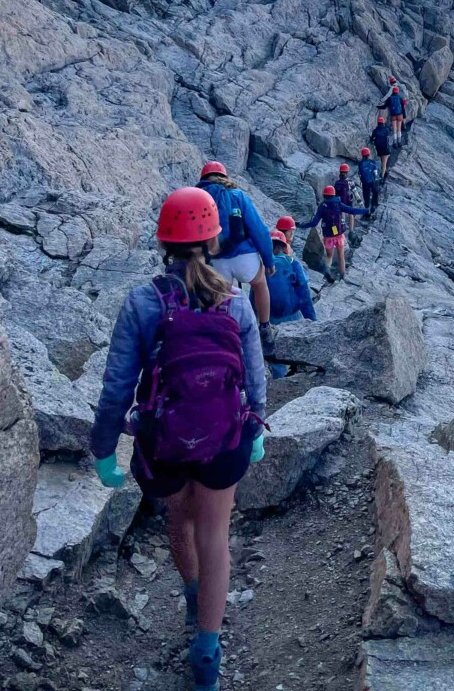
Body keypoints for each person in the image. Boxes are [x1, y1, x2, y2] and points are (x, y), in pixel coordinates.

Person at [90, 187, 267, 691]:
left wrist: (105, 449)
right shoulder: (235, 305)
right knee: (215, 536)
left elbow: (116, 387)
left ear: (163, 241)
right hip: (225, 439)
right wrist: (254, 431)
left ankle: (193, 597)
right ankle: (207, 651)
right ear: (213, 239)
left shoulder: (144, 302)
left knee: (180, 521)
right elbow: (255, 381)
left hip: (164, 441)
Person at [195, 161, 276, 355]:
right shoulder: (237, 195)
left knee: (222, 299)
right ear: (224, 177)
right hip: (244, 257)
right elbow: (259, 230)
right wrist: (268, 260)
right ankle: (265, 327)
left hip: (217, 261)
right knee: (259, 282)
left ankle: (226, 338)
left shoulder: (200, 200)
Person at [257, 230, 317, 378]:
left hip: (269, 318)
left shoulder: (261, 266)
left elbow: (255, 294)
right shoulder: (293, 264)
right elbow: (304, 295)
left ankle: (279, 379)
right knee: (298, 348)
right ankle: (298, 374)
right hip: (292, 316)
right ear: (284, 247)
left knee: (273, 353)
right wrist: (313, 321)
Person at [298, 184, 369, 280]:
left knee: (329, 256)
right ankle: (343, 275)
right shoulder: (338, 203)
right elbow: (351, 210)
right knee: (341, 257)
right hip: (339, 235)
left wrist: (301, 225)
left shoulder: (322, 206)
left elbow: (314, 223)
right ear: (334, 194)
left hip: (328, 237)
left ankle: (327, 270)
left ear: (324, 195)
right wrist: (366, 210)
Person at [333, 163, 357, 236]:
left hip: (340, 203)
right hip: (348, 201)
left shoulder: (337, 183)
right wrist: (361, 203)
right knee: (351, 214)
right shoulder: (350, 182)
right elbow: (356, 193)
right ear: (347, 173)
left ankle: (339, 231)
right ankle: (351, 231)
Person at [359, 147, 381, 213]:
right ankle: (374, 204)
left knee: (366, 196)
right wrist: (377, 181)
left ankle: (366, 209)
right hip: (372, 181)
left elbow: (360, 173)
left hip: (365, 183)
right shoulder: (372, 162)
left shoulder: (360, 163)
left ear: (362, 155)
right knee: (375, 191)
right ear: (368, 155)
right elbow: (376, 172)